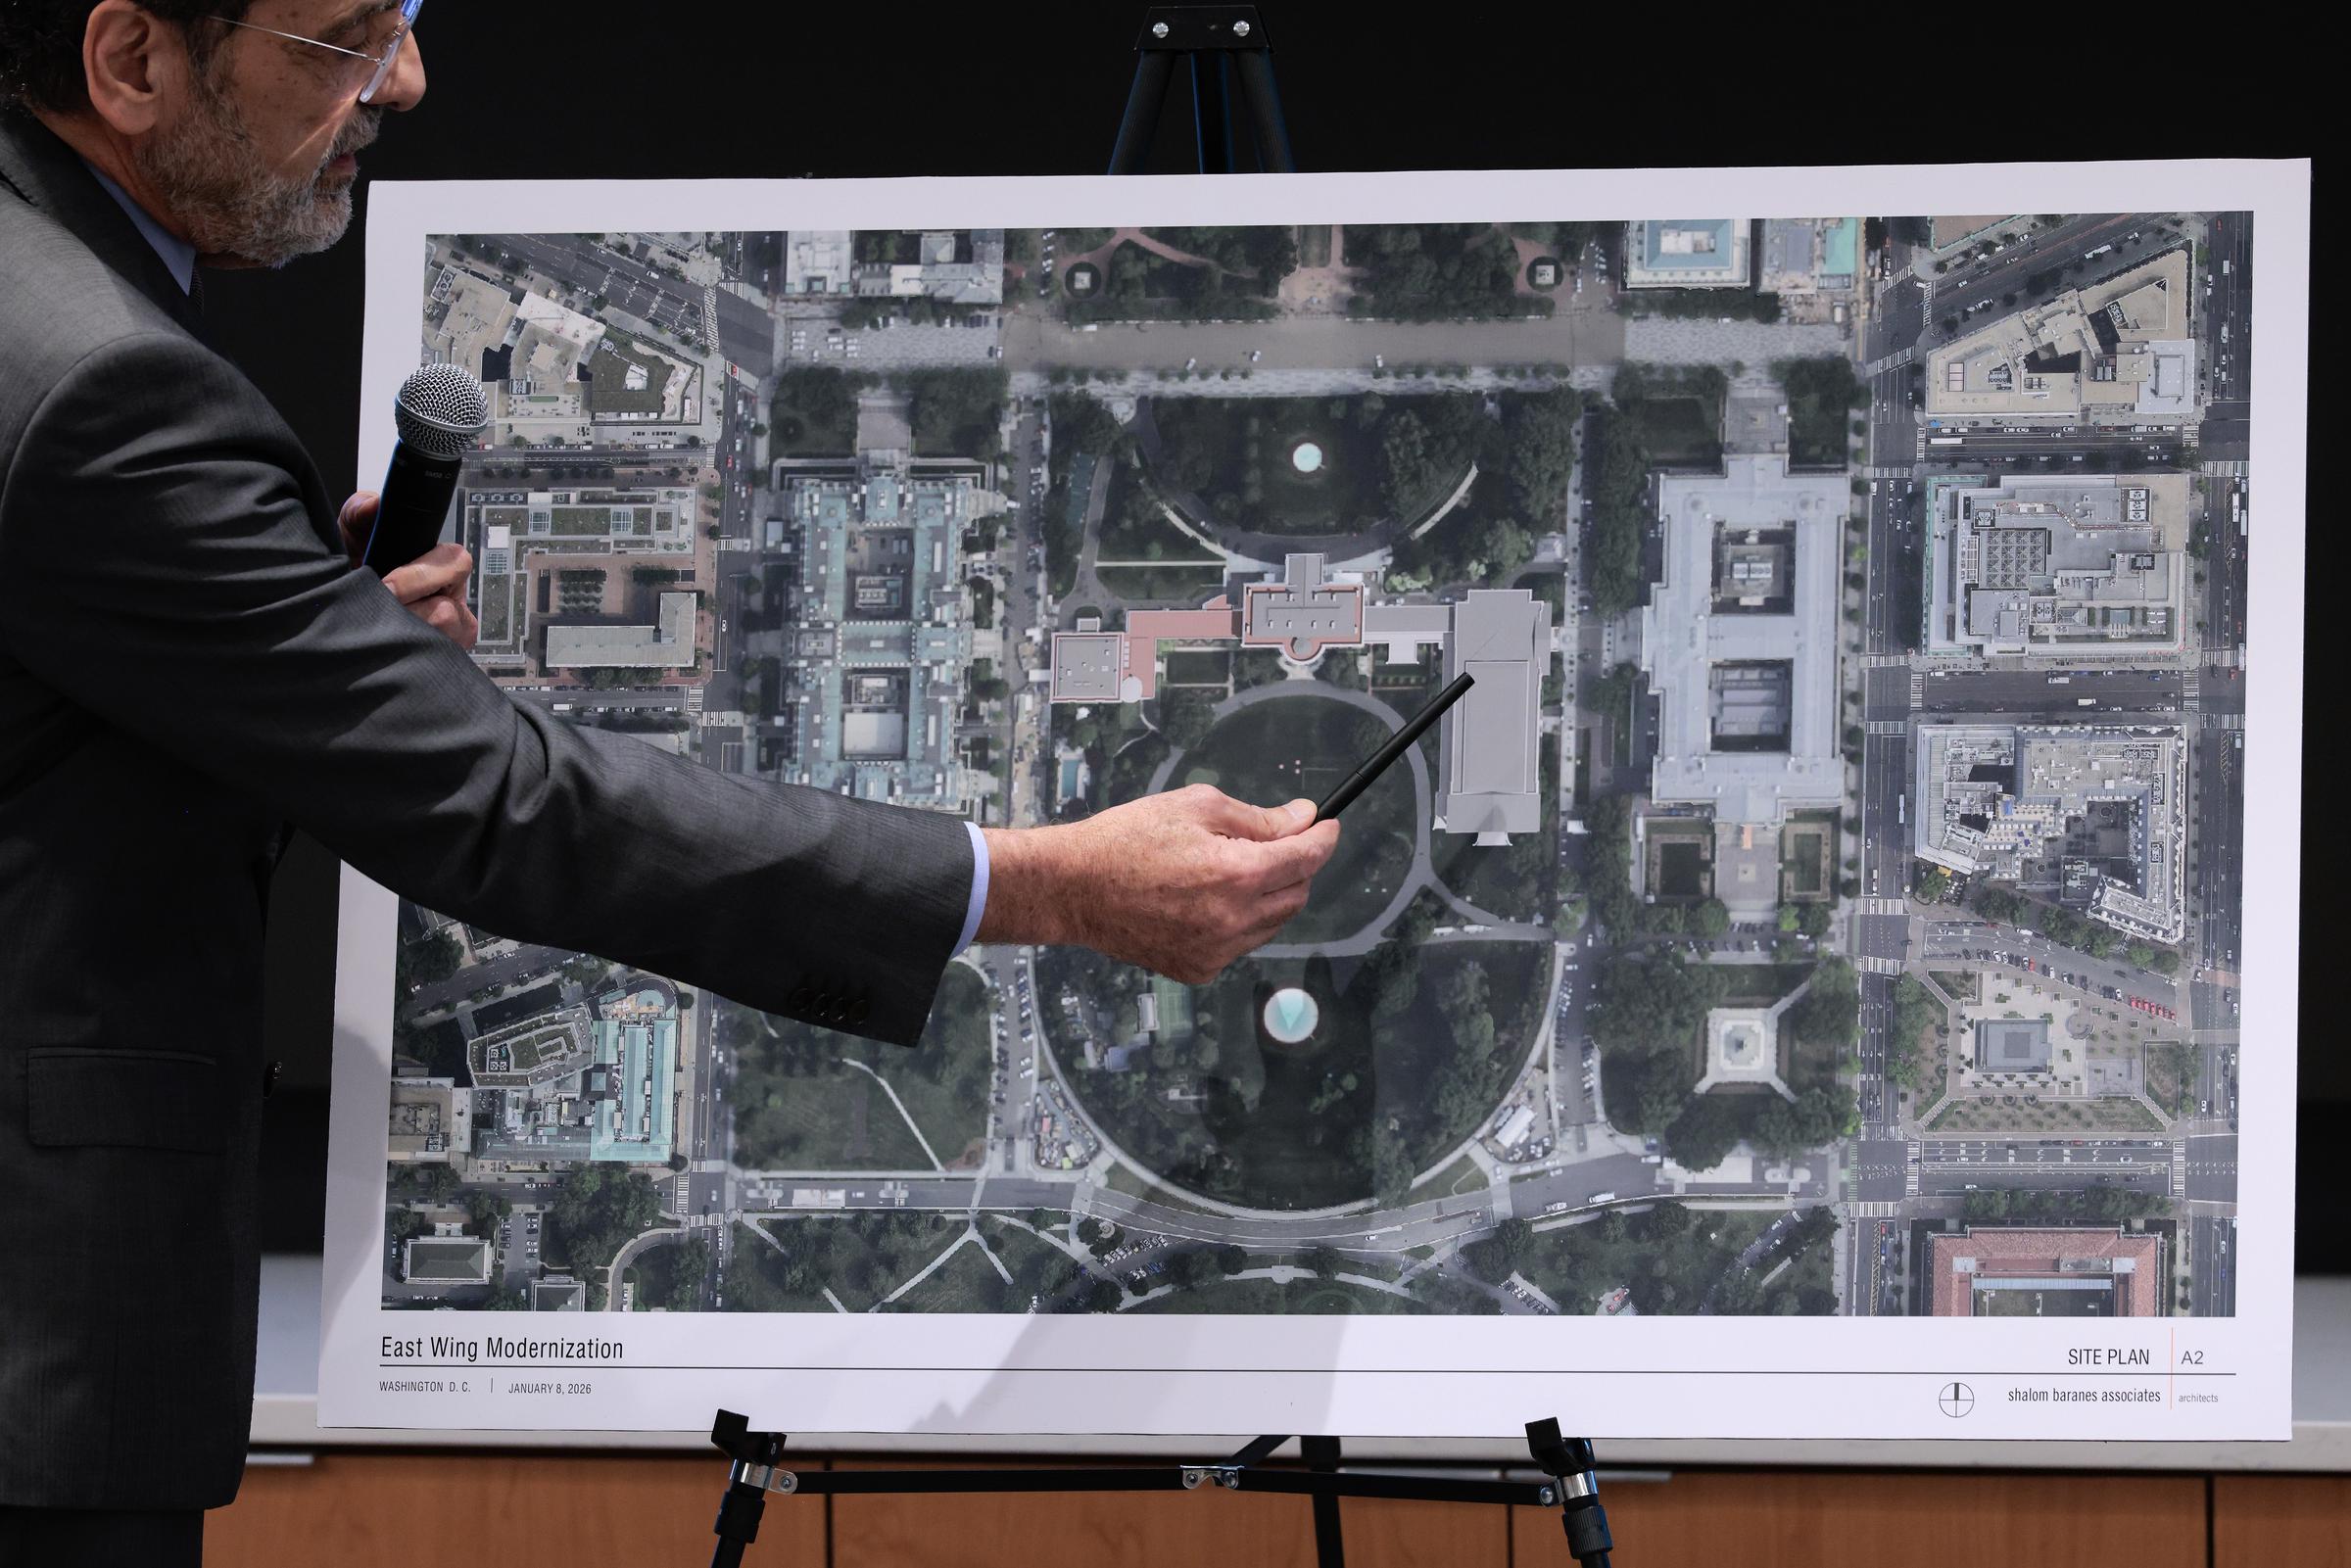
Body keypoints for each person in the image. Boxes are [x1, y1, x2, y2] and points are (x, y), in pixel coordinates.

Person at [0, 2, 1340, 1558]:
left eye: (408, 19)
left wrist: (287, 660)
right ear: (132, 64)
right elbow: (510, 804)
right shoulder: (102, 385)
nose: (407, 81)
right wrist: (1042, 881)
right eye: (345, 37)